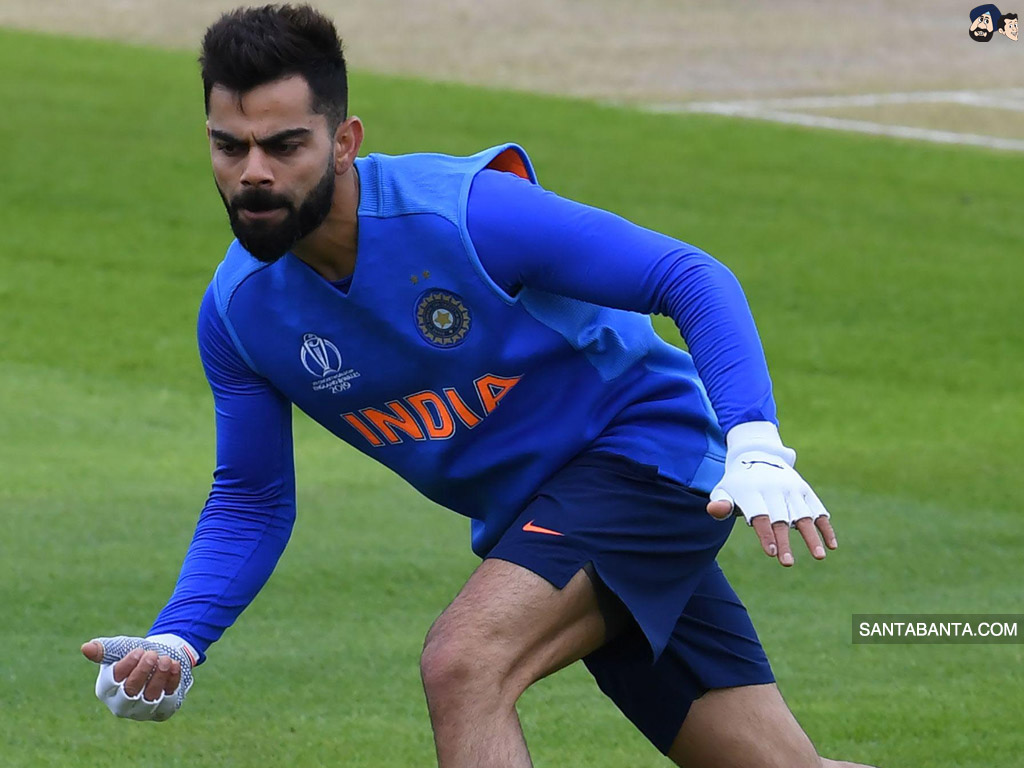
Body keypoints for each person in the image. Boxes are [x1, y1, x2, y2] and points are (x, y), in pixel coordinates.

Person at [80, 5, 876, 767]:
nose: (253, 173)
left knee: (464, 664)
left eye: (285, 145)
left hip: (643, 460)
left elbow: (689, 275)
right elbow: (251, 498)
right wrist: (179, 638)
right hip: (545, 518)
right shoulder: (239, 314)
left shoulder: (468, 216)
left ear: (345, 140)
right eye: (230, 146)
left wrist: (757, 442)